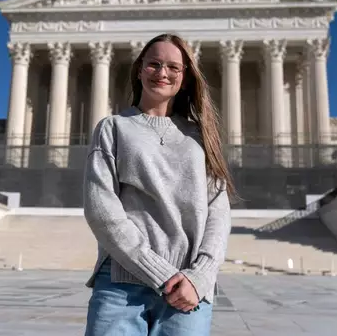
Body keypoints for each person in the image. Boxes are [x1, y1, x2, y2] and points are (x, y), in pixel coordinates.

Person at [83, 33, 234, 335]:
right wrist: (161, 273)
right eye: (154, 64)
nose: (162, 73)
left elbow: (218, 212)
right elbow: (102, 210)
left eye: (173, 67)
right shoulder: (113, 127)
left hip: (188, 288)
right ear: (139, 69)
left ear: (184, 76)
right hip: (122, 285)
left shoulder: (200, 137)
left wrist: (201, 276)